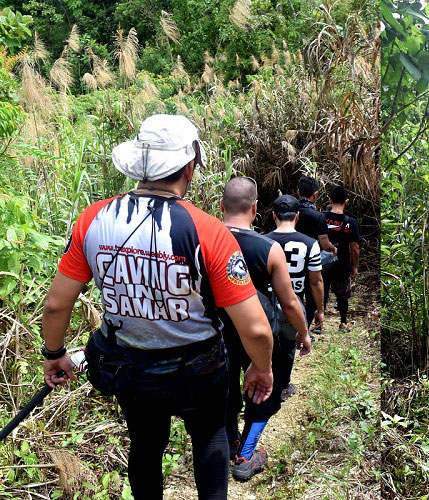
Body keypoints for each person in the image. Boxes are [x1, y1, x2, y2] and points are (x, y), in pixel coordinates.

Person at [40, 114, 274, 499]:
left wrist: (54, 354)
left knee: (145, 446)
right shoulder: (207, 231)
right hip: (201, 368)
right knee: (211, 436)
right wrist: (261, 369)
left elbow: (55, 305)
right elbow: (256, 329)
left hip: (131, 367)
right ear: (189, 166)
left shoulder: (92, 220)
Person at [218, 177, 311, 481]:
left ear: (221, 206)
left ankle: (232, 442)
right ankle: (246, 455)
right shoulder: (267, 248)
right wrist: (303, 332)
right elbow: (290, 303)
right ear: (256, 208)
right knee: (263, 390)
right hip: (257, 332)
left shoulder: (204, 240)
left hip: (214, 334)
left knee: (227, 388)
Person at [295, 176, 335, 331]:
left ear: (298, 192)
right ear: (315, 194)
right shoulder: (318, 217)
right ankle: (304, 328)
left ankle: (291, 328)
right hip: (310, 262)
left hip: (290, 261)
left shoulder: (289, 212)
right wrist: (333, 249)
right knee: (312, 298)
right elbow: (324, 244)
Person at [323, 186, 360, 331]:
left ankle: (318, 324)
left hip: (322, 263)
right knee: (343, 295)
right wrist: (355, 266)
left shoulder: (321, 218)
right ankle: (343, 323)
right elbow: (355, 248)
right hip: (343, 264)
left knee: (322, 291)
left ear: (329, 200)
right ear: (347, 201)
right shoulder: (350, 222)